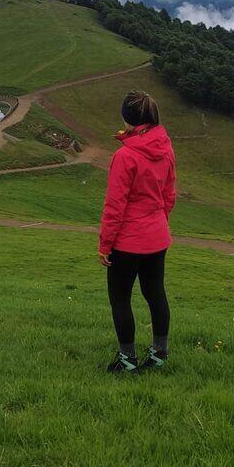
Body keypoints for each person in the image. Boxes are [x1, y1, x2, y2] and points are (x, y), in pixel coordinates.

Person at [98, 90, 176, 373]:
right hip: (157, 236)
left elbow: (114, 205)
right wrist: (158, 224)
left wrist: (105, 245)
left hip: (128, 242)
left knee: (120, 298)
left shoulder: (125, 155)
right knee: (156, 293)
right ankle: (159, 353)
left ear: (126, 118)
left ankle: (127, 359)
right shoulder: (165, 147)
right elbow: (169, 194)